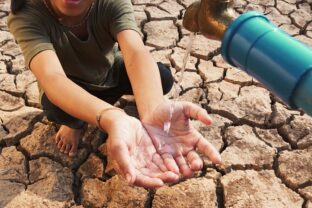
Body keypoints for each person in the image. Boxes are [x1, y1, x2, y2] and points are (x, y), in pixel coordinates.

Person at [8, 0, 221, 188]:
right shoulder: (28, 13)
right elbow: (53, 77)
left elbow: (136, 52)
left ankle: (127, 108)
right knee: (57, 108)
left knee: (162, 78)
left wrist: (153, 106)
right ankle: (74, 122)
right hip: (71, 86)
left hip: (109, 72)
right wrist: (113, 118)